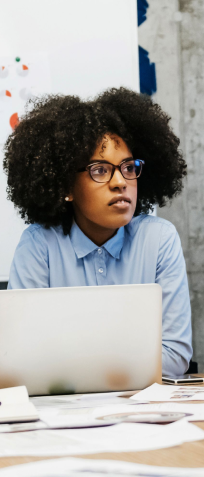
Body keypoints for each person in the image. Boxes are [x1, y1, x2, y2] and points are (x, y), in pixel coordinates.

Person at [3, 88, 192, 377]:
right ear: (66, 186)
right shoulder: (39, 244)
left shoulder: (159, 240)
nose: (120, 182)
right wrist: (123, 363)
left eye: (128, 167)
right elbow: (21, 358)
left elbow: (175, 356)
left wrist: (74, 364)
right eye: (101, 170)